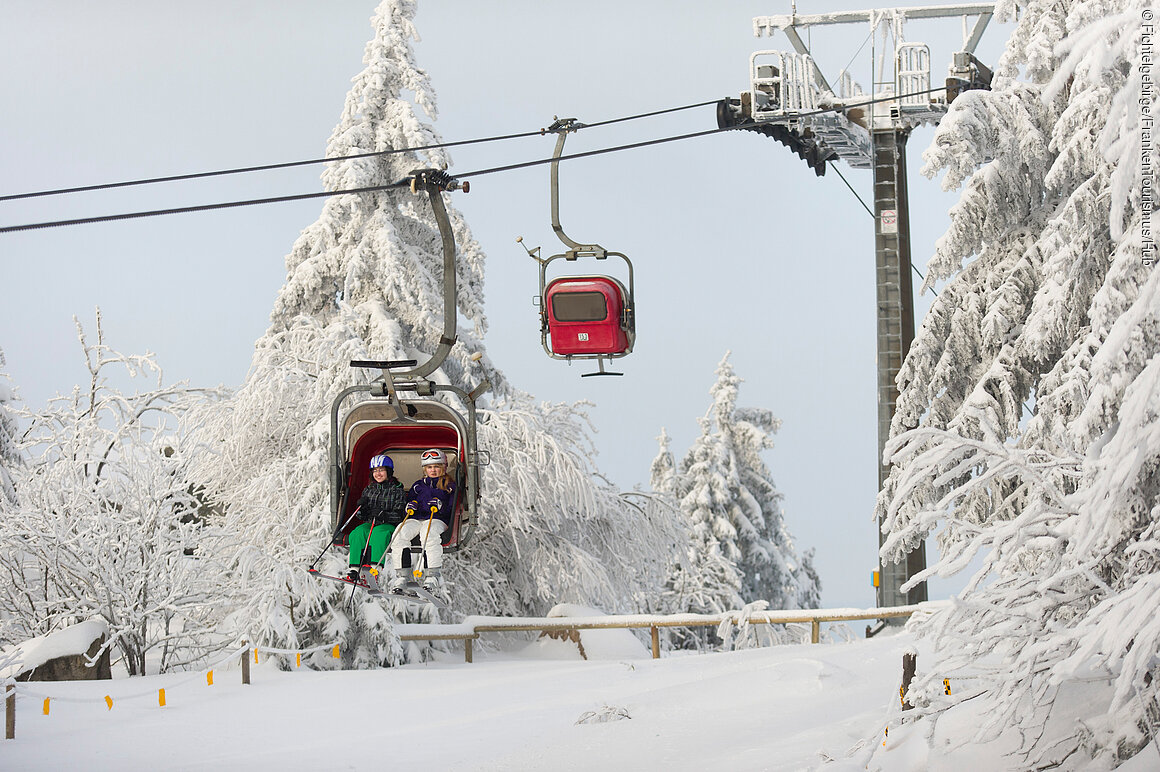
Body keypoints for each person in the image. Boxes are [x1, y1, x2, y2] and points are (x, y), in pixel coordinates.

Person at [387, 448, 456, 593]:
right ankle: (402, 575)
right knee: (399, 533)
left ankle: (432, 575)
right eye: (429, 467)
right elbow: (411, 500)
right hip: (417, 518)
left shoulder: (449, 486)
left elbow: (452, 506)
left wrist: (440, 506)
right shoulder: (418, 485)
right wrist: (410, 506)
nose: (433, 470)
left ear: (444, 467)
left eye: (437, 466)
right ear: (424, 469)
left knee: (428, 533)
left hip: (437, 519)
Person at [346, 454, 406, 582]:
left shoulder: (397, 490)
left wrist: (384, 515)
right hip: (371, 522)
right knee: (358, 532)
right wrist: (361, 509)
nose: (378, 474)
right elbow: (361, 515)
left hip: (388, 524)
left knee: (379, 534)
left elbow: (400, 515)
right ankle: (355, 570)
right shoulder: (369, 490)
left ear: (388, 472)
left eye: (381, 470)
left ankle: (374, 569)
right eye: (375, 471)